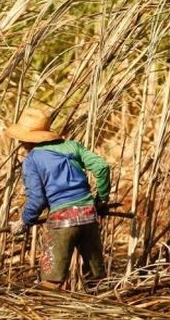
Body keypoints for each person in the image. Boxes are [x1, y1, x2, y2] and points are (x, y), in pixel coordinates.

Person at [6, 107, 111, 290]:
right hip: (88, 216)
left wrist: (24, 222)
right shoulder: (72, 146)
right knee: (97, 278)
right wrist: (101, 199)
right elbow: (101, 167)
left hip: (62, 222)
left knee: (51, 281)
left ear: (27, 139)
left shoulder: (32, 160)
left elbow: (37, 199)